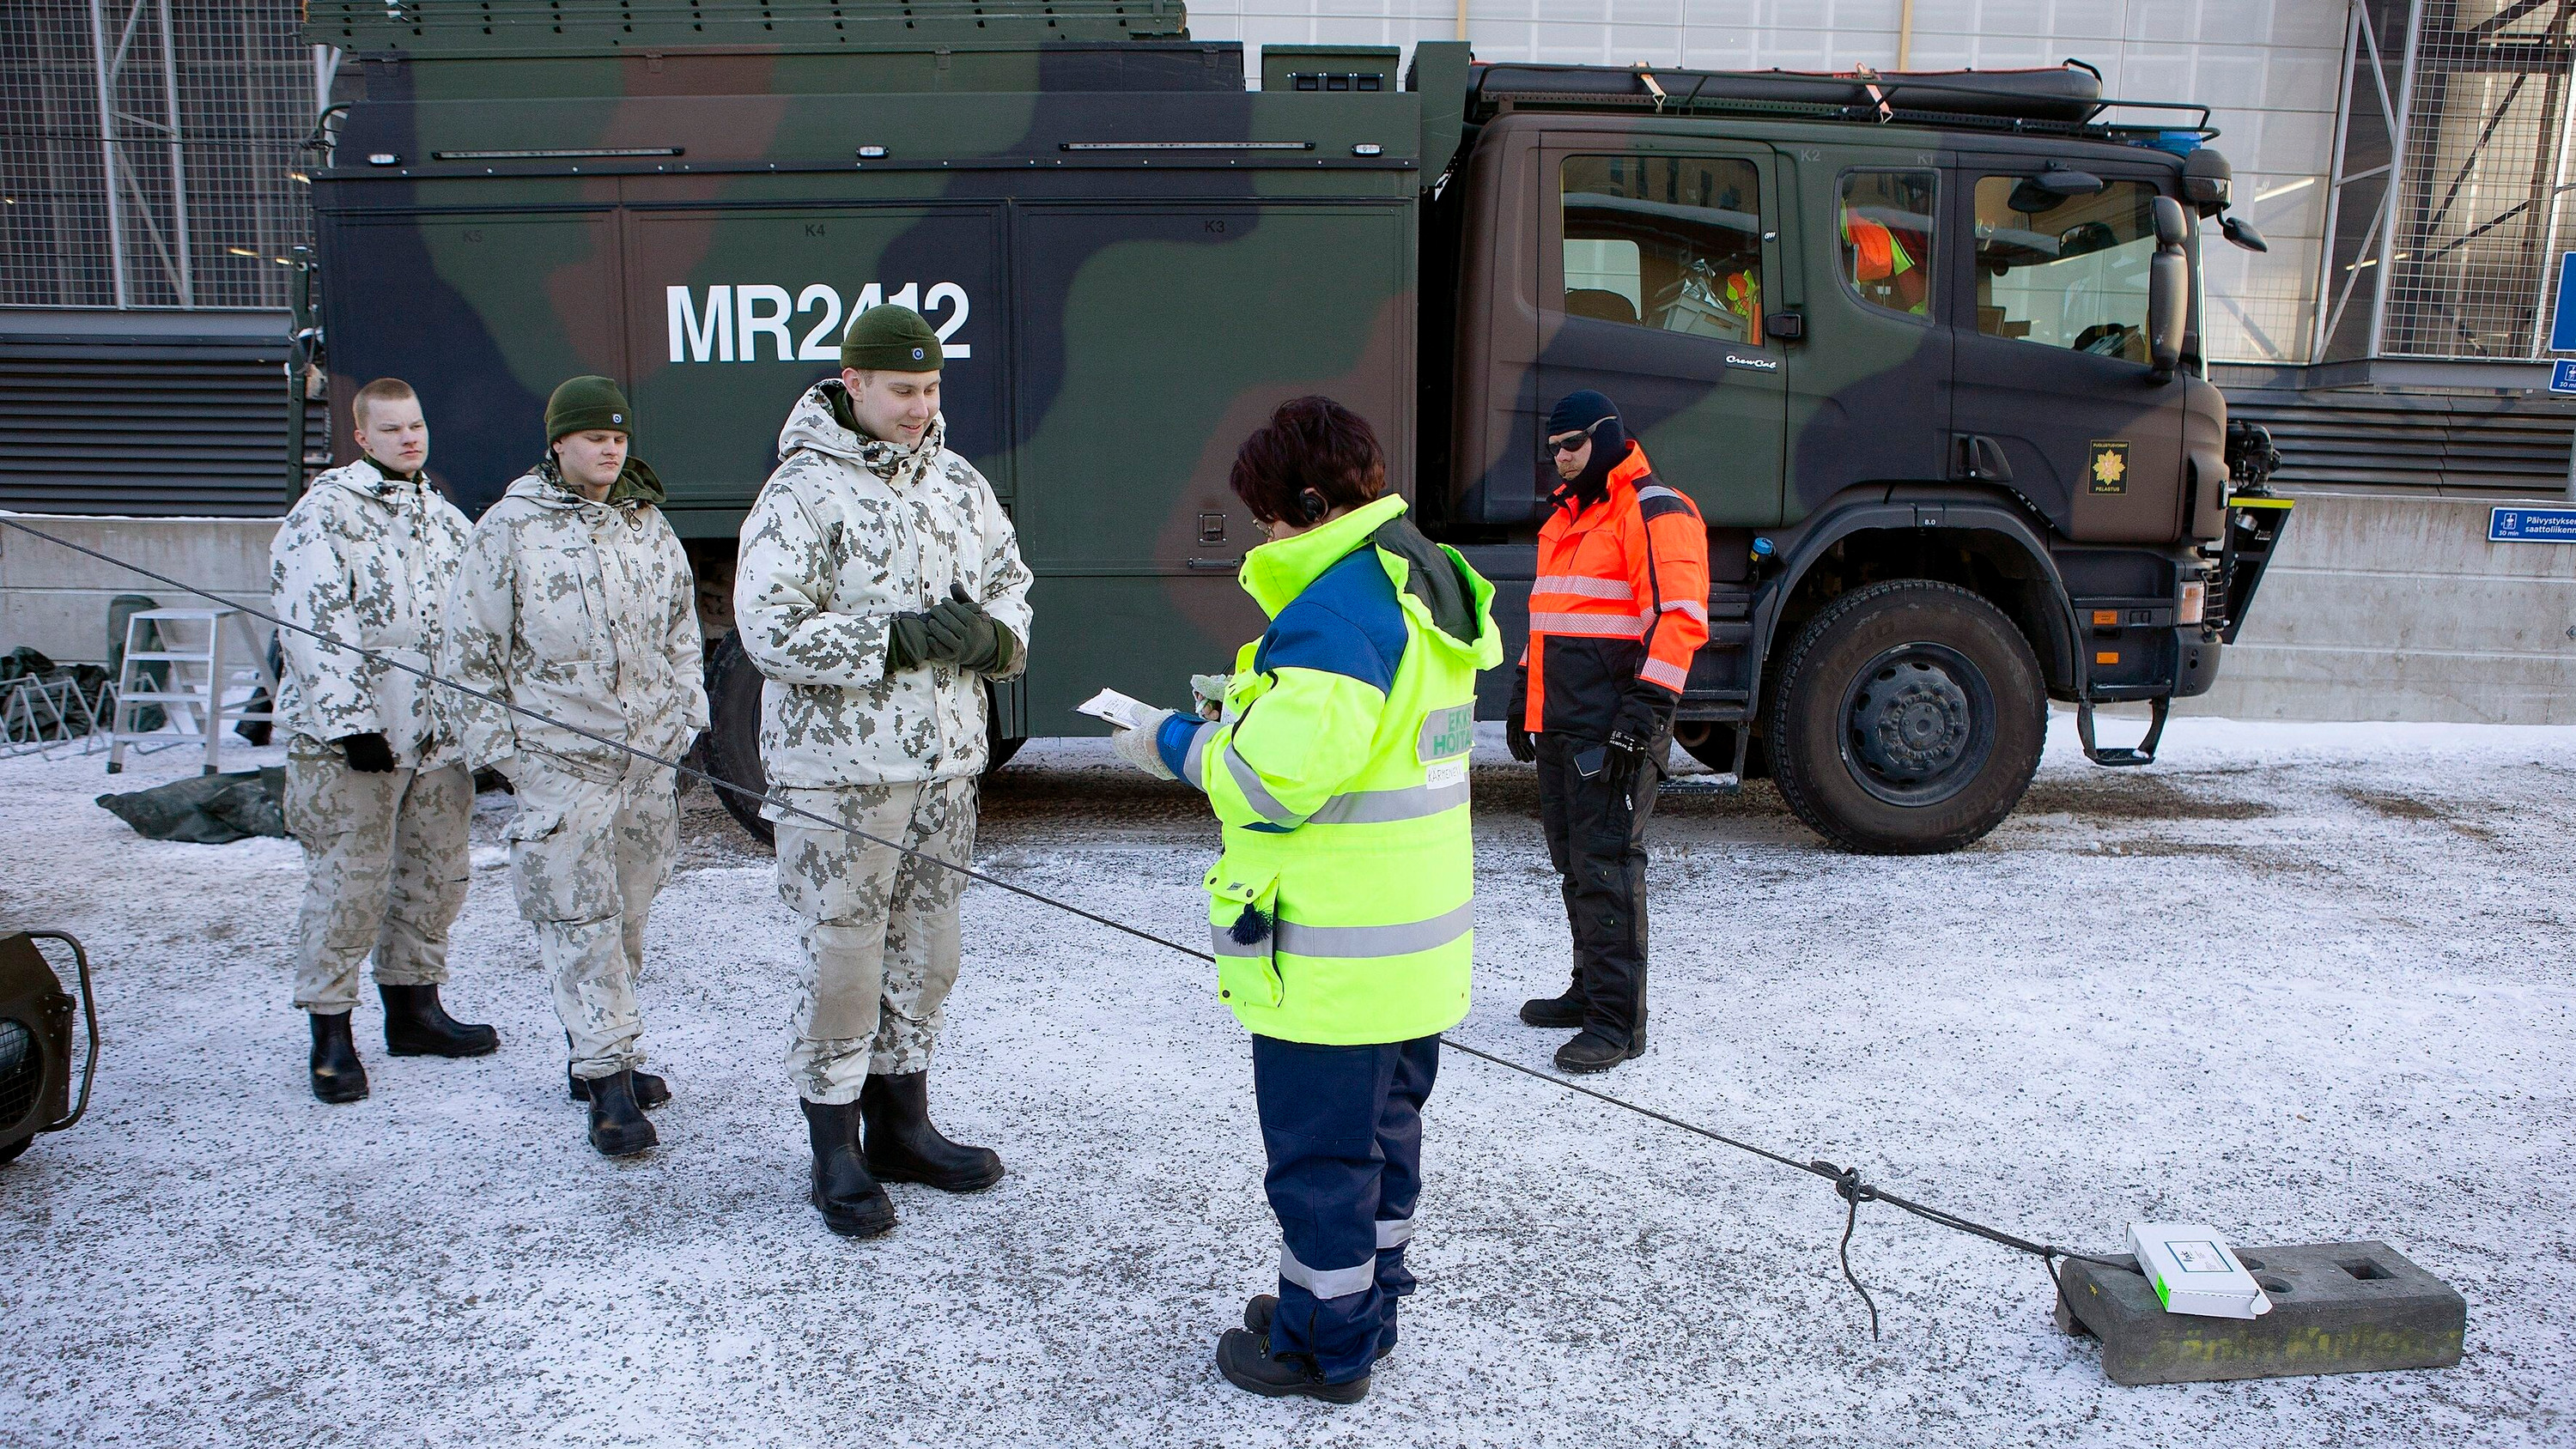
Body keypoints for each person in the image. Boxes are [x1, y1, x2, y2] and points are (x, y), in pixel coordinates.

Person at [1107, 396, 1500, 1404]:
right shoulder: (1424, 578)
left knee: (1321, 1161)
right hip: (1410, 947)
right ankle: (1367, 1304)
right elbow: (1366, 741)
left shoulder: (1332, 609)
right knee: (1385, 1143)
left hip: (1333, 959)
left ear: (1314, 504)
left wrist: (1172, 742)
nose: (1266, 536)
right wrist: (1253, 705)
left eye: (1272, 518)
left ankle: (1322, 1346)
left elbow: (1271, 785)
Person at [734, 305, 1034, 1238]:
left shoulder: (957, 484)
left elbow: (1010, 582)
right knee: (844, 958)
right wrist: (895, 637)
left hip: (945, 768)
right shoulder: (802, 493)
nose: (919, 407)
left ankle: (903, 1124)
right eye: (902, 390)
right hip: (841, 776)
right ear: (853, 384)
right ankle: (835, 1145)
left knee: (929, 953)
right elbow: (769, 628)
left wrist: (993, 639)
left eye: (932, 389)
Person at [442, 376, 708, 1157]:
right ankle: (609, 1085)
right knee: (577, 921)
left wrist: (685, 712)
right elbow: (468, 650)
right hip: (560, 762)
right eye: (595, 436)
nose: (610, 447)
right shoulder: (510, 530)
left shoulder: (645, 525)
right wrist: (502, 755)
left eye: (620, 436)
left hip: (645, 764)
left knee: (627, 915)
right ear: (559, 443)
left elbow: (681, 630)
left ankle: (600, 1051)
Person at [271, 376, 495, 1104]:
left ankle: (414, 1008)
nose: (410, 438)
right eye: (393, 428)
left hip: (435, 743)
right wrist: (350, 724)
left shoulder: (447, 519)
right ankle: (331, 1034)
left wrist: (480, 726)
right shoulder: (323, 517)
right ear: (361, 437)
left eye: (417, 425)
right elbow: (314, 626)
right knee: (349, 884)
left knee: (436, 876)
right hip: (356, 746)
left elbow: (475, 629)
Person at [1509, 390, 1710, 1074]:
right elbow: (1554, 615)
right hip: (1565, 721)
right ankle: (1591, 991)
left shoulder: (1653, 508)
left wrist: (1645, 710)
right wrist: (1523, 695)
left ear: (1607, 436)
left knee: (1607, 867)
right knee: (1576, 864)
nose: (1561, 459)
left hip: (1615, 723)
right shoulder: (1567, 517)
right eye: (1554, 449)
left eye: (1573, 445)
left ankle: (1618, 1024)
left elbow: (1679, 618)